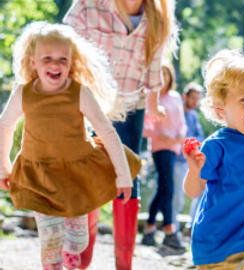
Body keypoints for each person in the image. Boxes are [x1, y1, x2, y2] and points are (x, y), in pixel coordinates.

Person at [0, 22, 141, 270]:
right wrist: (4, 167)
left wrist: (123, 175)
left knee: (77, 241)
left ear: (72, 62)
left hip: (76, 177)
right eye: (47, 59)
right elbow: (4, 127)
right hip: (39, 176)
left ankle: (70, 254)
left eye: (62, 59)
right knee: (50, 237)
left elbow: (107, 132)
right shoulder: (23, 93)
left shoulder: (79, 93)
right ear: (33, 62)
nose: (55, 65)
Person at [63, 0, 177, 268]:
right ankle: (82, 255)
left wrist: (152, 104)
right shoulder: (89, 6)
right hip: (90, 103)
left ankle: (124, 261)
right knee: (90, 174)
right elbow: (62, 41)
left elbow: (153, 63)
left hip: (130, 106)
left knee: (128, 172)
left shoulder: (156, 17)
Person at [183, 49, 244, 269]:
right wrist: (194, 170)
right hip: (220, 247)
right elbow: (193, 191)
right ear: (220, 109)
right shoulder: (216, 145)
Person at [141, 63, 186, 249]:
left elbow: (182, 123)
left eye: (167, 74)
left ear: (171, 77)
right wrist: (159, 136)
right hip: (160, 148)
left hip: (174, 147)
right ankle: (169, 230)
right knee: (168, 187)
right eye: (161, 75)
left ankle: (150, 228)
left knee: (164, 188)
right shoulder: (152, 98)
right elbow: (143, 129)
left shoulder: (175, 97)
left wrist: (181, 136)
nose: (164, 78)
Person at [171, 82, 204, 229]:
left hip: (190, 161)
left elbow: (199, 137)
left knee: (198, 193)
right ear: (185, 96)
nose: (195, 102)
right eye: (193, 98)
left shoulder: (193, 116)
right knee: (177, 196)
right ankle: (173, 228)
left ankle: (191, 227)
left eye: (197, 99)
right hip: (176, 159)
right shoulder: (176, 113)